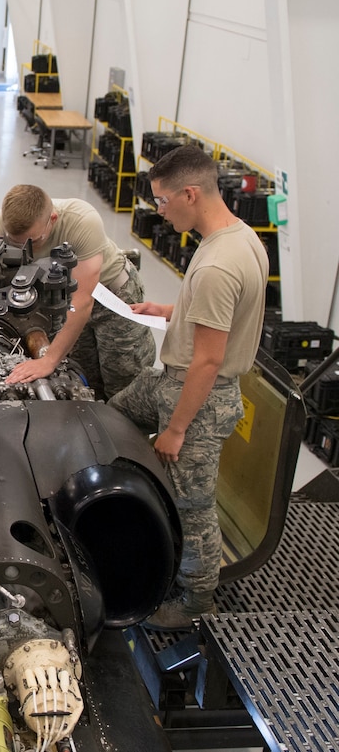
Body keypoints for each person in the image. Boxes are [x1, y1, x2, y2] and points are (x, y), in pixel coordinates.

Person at [109, 145, 268, 631]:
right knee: (112, 413)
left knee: (193, 504)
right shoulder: (235, 239)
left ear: (190, 194)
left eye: (161, 200)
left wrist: (176, 429)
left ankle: (196, 601)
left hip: (195, 397)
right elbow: (215, 320)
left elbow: (209, 357)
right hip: (174, 381)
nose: (158, 210)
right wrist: (166, 311)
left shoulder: (220, 264)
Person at [0, 185, 156, 400]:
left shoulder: (81, 220)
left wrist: (49, 360)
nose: (25, 248)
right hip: (58, 299)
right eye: (16, 242)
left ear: (52, 219)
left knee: (123, 375)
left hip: (111, 294)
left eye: (33, 241)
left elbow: (81, 301)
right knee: (83, 375)